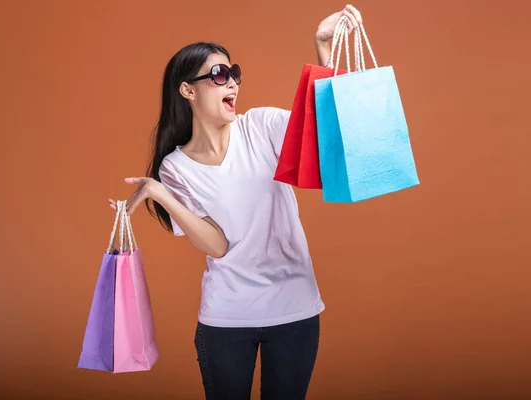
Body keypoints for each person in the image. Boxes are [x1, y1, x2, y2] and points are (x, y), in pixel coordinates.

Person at [108, 5, 363, 399]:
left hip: (294, 308)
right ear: (187, 90)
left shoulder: (261, 126)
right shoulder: (175, 168)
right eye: (219, 75)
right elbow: (217, 246)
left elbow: (323, 127)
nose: (232, 83)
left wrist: (324, 51)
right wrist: (162, 195)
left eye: (234, 74)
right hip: (226, 317)